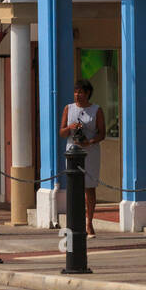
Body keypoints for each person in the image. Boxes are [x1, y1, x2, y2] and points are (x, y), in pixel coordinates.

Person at [60, 79, 105, 236]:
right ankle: (75, 221)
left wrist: (90, 142)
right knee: (74, 186)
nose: (77, 95)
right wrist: (70, 127)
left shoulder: (96, 110)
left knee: (89, 187)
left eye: (80, 92)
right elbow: (62, 133)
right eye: (76, 92)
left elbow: (102, 133)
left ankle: (89, 222)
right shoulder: (69, 108)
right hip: (72, 150)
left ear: (87, 94)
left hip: (90, 151)